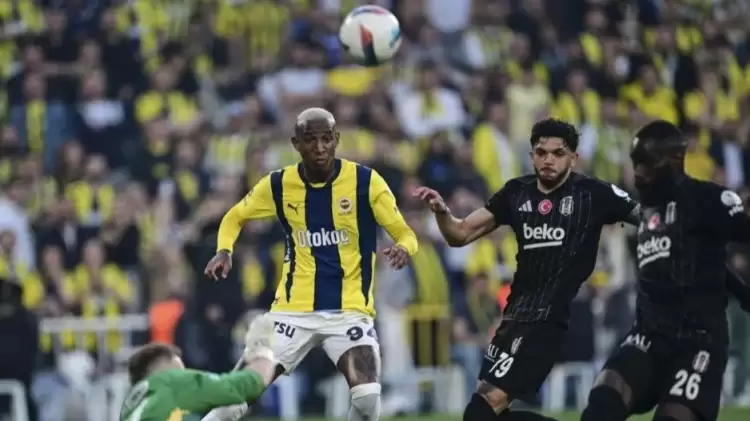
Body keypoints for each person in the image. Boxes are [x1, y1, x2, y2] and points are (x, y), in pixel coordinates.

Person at [414, 118, 640, 421]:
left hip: (548, 319)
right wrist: (443, 213)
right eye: (541, 152)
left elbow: (649, 217)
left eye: (558, 153)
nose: (548, 159)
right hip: (513, 320)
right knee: (482, 413)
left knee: (484, 407)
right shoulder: (516, 193)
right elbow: (460, 234)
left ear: (574, 158)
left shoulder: (592, 193)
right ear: (532, 156)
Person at [203, 107, 418, 421]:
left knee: (368, 398)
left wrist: (404, 247)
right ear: (296, 144)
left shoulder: (366, 182)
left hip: (348, 311)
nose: (319, 147)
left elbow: (405, 233)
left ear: (337, 140)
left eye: (326, 139)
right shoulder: (279, 184)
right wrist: (224, 250)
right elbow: (235, 216)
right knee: (237, 395)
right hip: (292, 312)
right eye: (310, 140)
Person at [577, 120, 750, 421]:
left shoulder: (709, 198)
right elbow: (696, 265)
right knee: (603, 399)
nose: (638, 173)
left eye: (645, 164)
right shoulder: (643, 213)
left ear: (671, 161)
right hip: (649, 335)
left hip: (699, 340)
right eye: (635, 163)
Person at [119, 316, 278, 421]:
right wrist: (263, 349)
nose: (185, 375)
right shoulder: (173, 382)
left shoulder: (129, 409)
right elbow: (250, 383)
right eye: (181, 372)